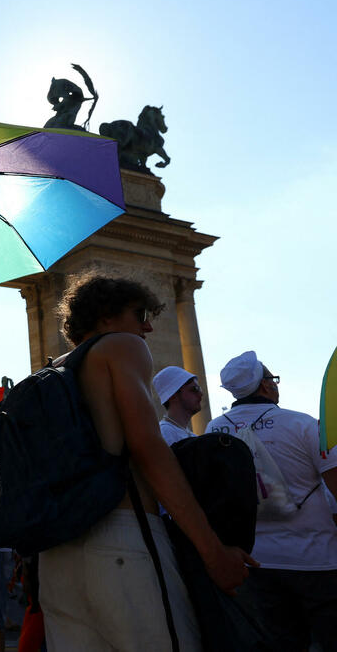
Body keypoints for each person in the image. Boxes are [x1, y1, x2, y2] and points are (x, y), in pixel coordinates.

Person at [38, 274, 253, 651]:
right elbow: (148, 449)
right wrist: (212, 551)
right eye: (139, 314)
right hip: (120, 539)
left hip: (56, 558)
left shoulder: (48, 374)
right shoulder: (121, 347)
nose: (148, 327)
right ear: (106, 317)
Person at [207, 350, 337, 650]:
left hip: (257, 562)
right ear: (265, 385)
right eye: (273, 379)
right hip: (317, 559)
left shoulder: (214, 430)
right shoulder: (302, 424)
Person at [153, 365, 203, 446]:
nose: (200, 394)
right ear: (173, 396)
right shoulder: (165, 433)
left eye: (199, 388)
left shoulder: (191, 435)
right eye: (194, 389)